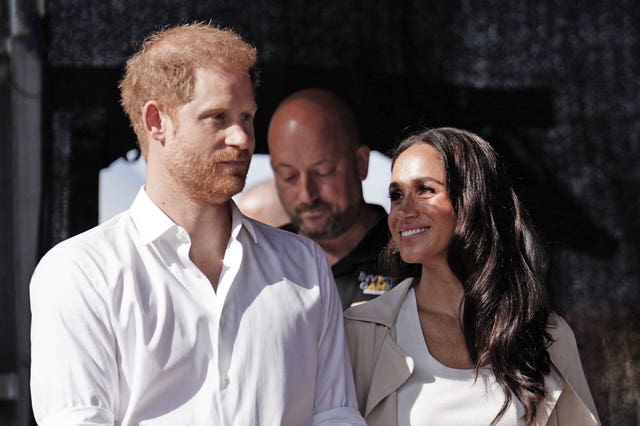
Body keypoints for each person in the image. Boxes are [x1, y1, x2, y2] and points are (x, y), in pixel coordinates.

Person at [30, 23, 365, 425]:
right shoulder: (82, 271)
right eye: (218, 117)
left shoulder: (304, 265)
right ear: (156, 121)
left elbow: (336, 417)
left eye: (247, 116)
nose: (242, 137)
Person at [344, 127, 600, 425]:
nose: (403, 211)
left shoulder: (548, 335)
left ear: (472, 200)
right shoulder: (361, 332)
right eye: (396, 195)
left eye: (425, 190)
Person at [268, 88, 393, 310]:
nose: (307, 194)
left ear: (361, 164)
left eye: (323, 172)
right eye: (289, 176)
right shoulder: (262, 258)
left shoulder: (410, 256)